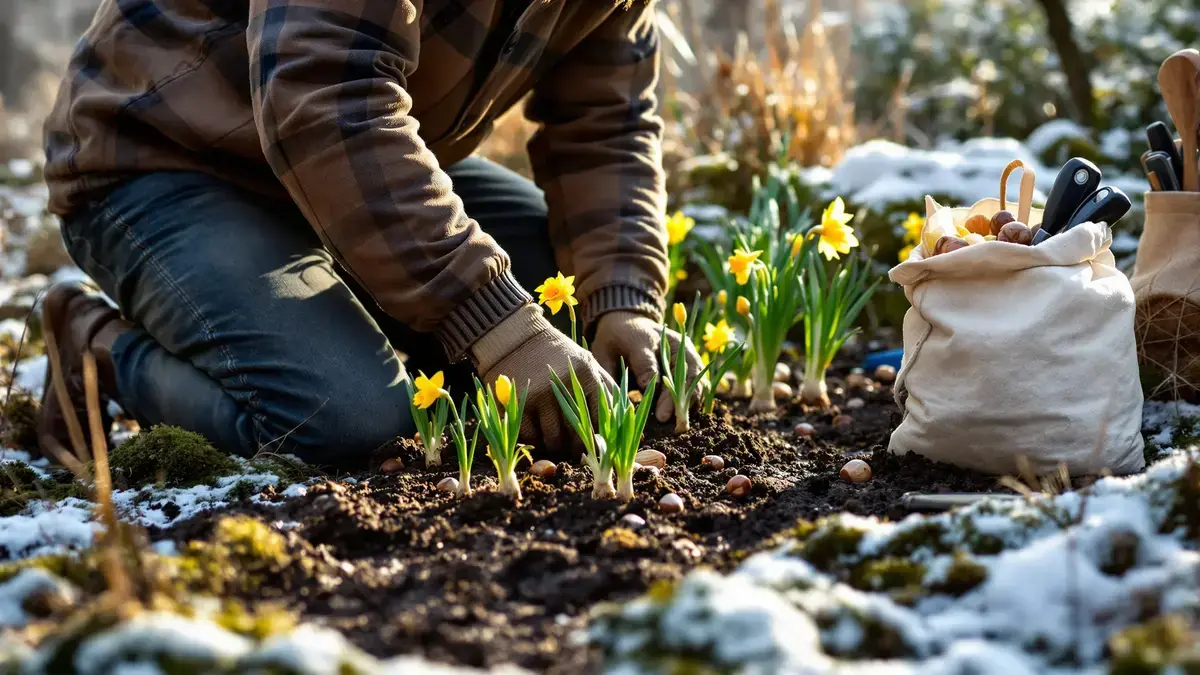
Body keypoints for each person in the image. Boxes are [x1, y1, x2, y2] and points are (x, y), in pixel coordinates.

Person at [38, 0, 703, 466]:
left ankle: (328, 309)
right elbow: (325, 94)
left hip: (343, 168)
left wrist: (622, 300)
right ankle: (94, 352)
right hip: (163, 160)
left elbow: (608, 124)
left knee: (565, 318)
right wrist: (499, 327)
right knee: (348, 419)